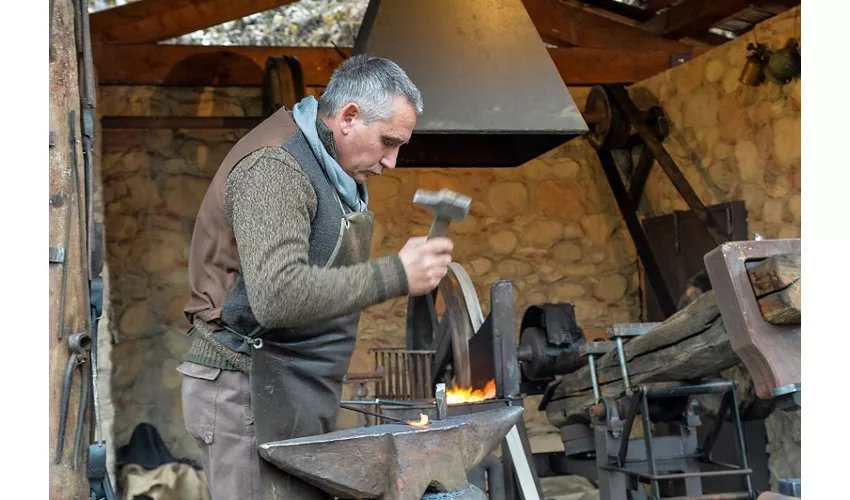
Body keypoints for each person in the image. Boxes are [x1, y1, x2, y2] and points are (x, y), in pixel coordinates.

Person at [176, 55, 454, 500]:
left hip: (292, 386)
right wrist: (396, 274)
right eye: (388, 142)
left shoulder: (334, 172)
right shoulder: (274, 167)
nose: (392, 162)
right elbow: (277, 295)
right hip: (245, 391)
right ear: (348, 117)